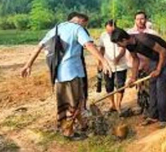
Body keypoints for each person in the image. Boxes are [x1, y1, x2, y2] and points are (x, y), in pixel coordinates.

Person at [20, 12, 111, 141]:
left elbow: (40, 46)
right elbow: (88, 45)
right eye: (85, 24)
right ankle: (68, 132)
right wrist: (103, 61)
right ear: (80, 20)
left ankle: (83, 125)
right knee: (74, 103)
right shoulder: (77, 28)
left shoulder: (56, 29)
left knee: (71, 102)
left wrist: (28, 64)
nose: (85, 27)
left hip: (58, 75)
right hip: (72, 73)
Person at [111, 28, 166, 129]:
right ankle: (153, 116)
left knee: (160, 87)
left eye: (118, 43)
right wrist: (133, 77)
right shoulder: (129, 45)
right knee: (152, 85)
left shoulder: (143, 39)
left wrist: (158, 70)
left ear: (124, 39)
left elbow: (163, 51)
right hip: (155, 58)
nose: (118, 46)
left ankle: (164, 119)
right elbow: (135, 60)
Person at [127, 11, 158, 116]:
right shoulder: (130, 33)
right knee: (140, 89)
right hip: (137, 66)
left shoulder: (152, 33)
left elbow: (159, 50)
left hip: (150, 66)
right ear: (135, 20)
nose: (140, 21)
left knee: (151, 89)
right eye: (137, 19)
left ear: (146, 19)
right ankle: (143, 108)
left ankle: (152, 111)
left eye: (142, 18)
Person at [98, 20, 128, 114]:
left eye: (111, 31)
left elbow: (123, 48)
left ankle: (119, 105)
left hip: (121, 65)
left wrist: (118, 58)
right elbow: (102, 49)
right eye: (108, 31)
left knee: (120, 85)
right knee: (108, 85)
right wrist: (100, 62)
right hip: (108, 65)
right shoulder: (103, 35)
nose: (109, 33)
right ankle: (113, 105)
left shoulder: (120, 33)